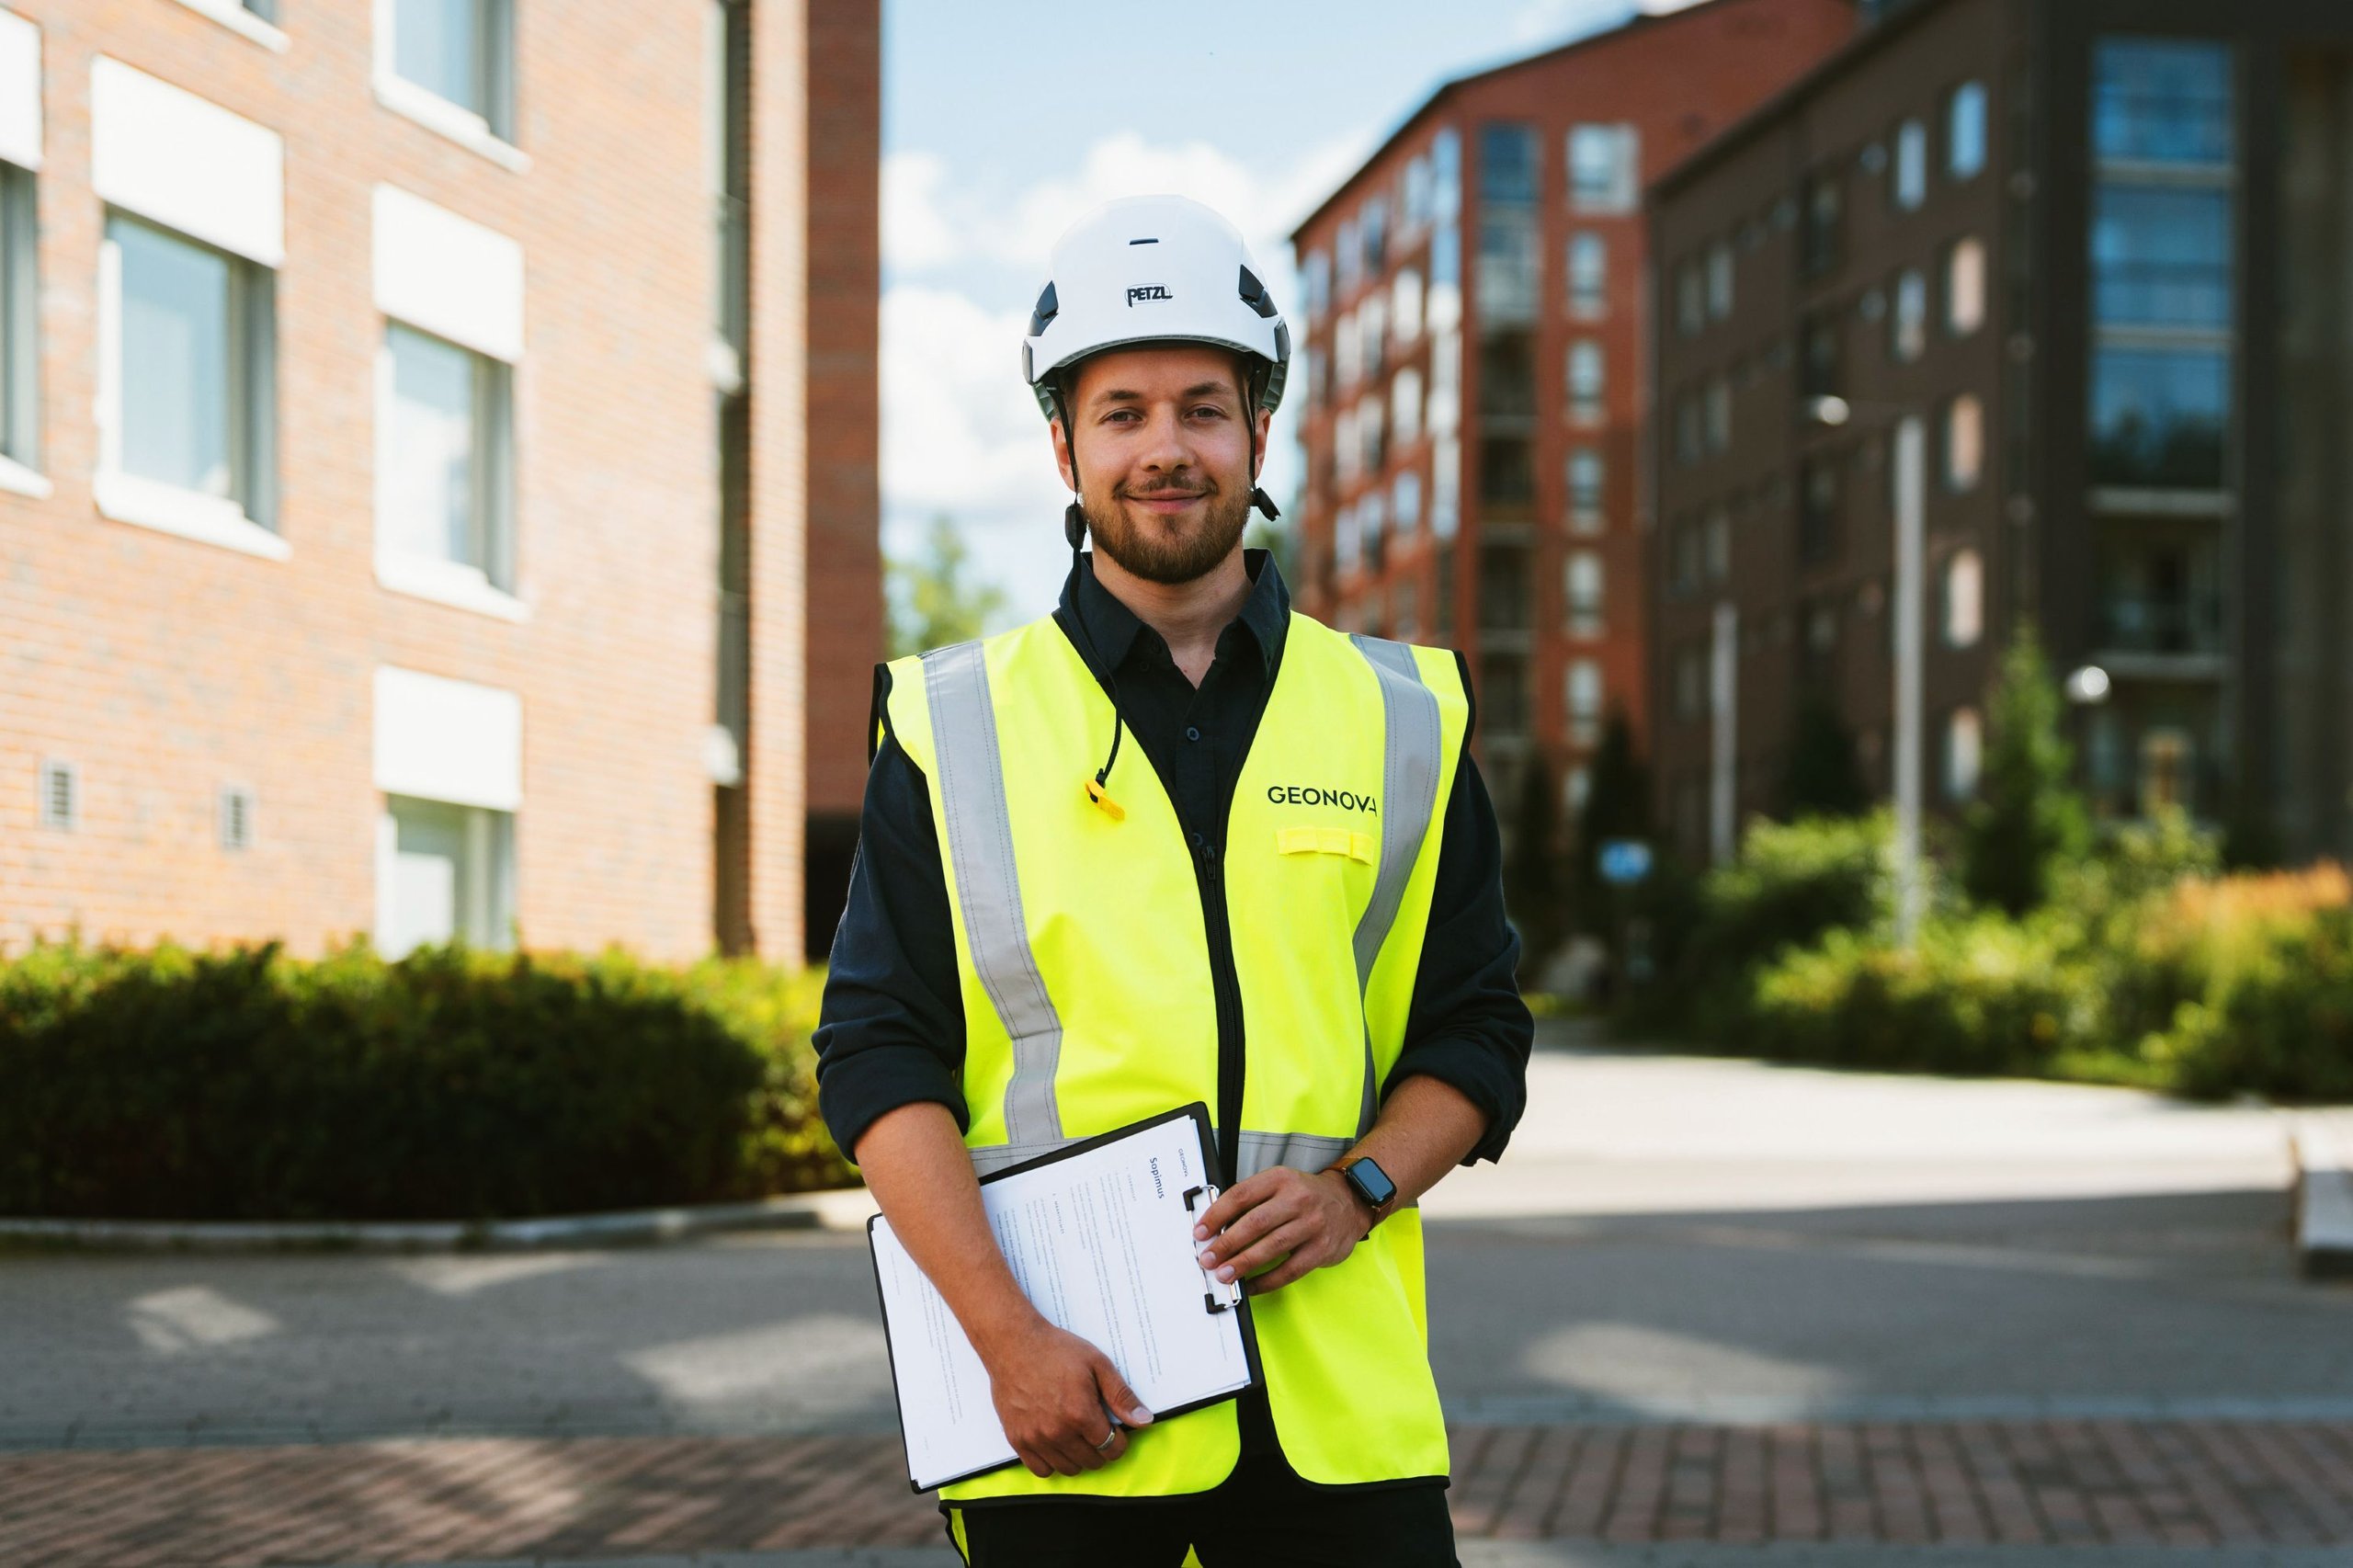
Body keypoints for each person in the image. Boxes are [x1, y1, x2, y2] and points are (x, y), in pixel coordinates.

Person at [814, 194, 1532, 1567]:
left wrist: (1359, 1189)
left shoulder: (1401, 714)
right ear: (1064, 446)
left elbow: (1478, 1029)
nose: (1165, 448)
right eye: (1123, 412)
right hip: (1071, 1402)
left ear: (1259, 431)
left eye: (1203, 409)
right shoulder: (952, 721)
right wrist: (1006, 1341)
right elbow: (875, 1054)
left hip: (1340, 1420)